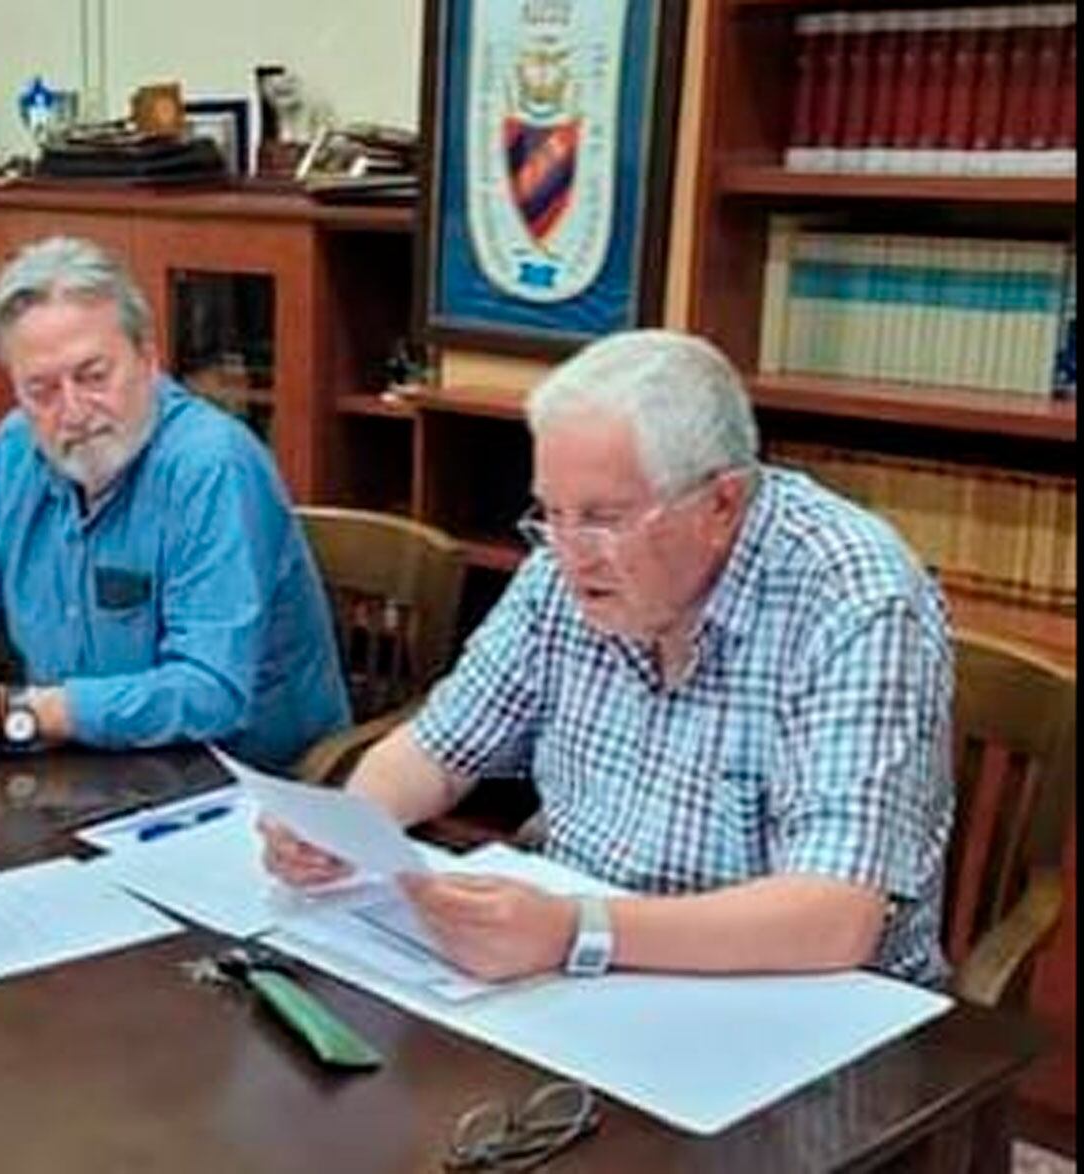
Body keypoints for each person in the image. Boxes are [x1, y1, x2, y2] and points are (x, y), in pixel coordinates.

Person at [264, 331, 955, 988]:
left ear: (721, 504)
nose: (569, 554)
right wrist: (345, 828)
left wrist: (577, 931)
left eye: (602, 519)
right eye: (550, 513)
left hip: (798, 1000)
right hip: (584, 961)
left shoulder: (855, 599)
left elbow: (834, 917)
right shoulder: (562, 569)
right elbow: (440, 751)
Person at [0, 235, 349, 770]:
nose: (73, 411)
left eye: (93, 376)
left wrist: (19, 714)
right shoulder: (15, 450)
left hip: (245, 786)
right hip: (84, 770)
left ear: (148, 360)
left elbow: (209, 690)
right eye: (41, 390)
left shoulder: (211, 467)